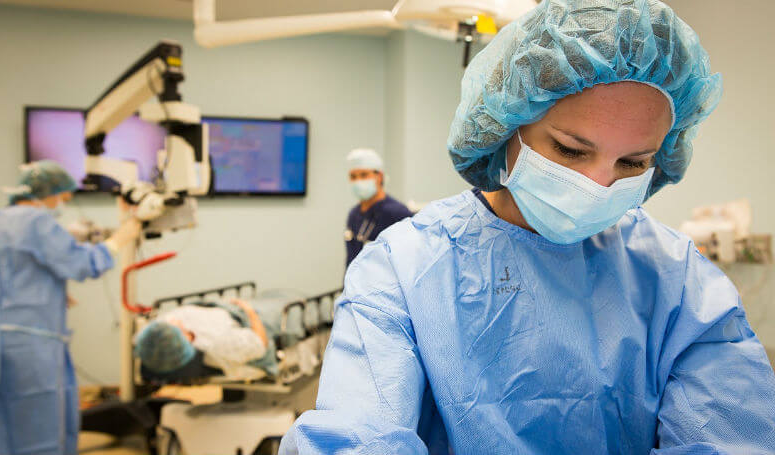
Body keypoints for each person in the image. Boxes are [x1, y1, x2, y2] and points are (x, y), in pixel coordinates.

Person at [280, 1, 775, 454]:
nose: (598, 186)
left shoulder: (679, 283)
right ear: (505, 126)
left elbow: (731, 439)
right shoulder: (404, 269)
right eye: (570, 150)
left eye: (632, 162)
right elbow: (359, 438)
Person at [0, 161, 141, 455]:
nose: (61, 205)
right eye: (62, 198)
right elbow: (83, 264)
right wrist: (120, 239)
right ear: (47, 194)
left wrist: (51, 289)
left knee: (6, 418)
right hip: (32, 341)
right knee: (39, 422)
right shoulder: (35, 222)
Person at [134, 298, 276, 379]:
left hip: (229, 309)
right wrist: (249, 311)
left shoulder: (165, 324)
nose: (171, 320)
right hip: (251, 316)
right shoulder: (218, 345)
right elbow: (260, 344)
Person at [345, 148, 413, 267]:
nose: (358, 181)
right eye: (353, 176)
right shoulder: (354, 214)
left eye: (364, 175)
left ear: (379, 176)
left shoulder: (398, 214)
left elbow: (411, 260)